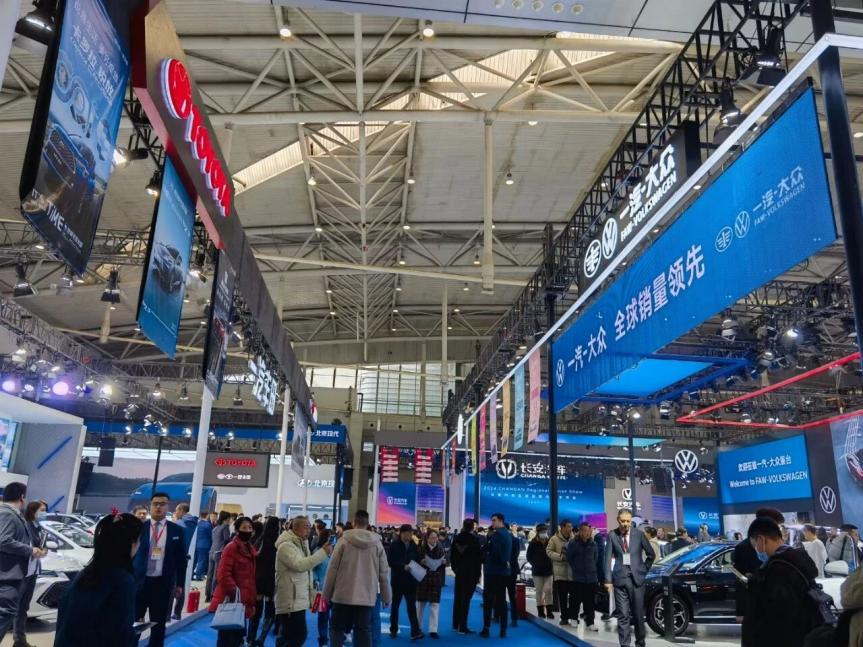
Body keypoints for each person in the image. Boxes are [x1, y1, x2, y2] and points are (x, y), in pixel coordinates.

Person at [54, 513, 143, 646]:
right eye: (139, 540)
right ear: (131, 543)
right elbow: (118, 633)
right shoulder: (122, 580)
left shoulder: (85, 573)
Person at [742, 516, 820, 647]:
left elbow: (773, 619)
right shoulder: (798, 561)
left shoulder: (775, 571)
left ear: (761, 539)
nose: (756, 550)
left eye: (754, 545)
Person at [323, 510, 392, 647]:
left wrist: (326, 594)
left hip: (342, 595)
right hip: (366, 596)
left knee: (336, 628)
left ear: (354, 523)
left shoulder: (343, 541)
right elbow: (383, 574)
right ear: (367, 524)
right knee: (363, 630)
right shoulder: (377, 544)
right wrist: (386, 597)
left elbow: (332, 569)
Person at [133, 492, 187, 647]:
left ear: (168, 507)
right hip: (139, 583)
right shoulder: (139, 528)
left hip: (162, 584)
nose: (158, 507)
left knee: (158, 625)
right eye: (155, 504)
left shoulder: (177, 531)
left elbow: (181, 560)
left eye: (162, 504)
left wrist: (180, 584)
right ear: (150, 506)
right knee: (134, 624)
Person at [275, 515, 333, 647]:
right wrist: (322, 553)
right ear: (295, 528)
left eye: (309, 527)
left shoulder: (301, 544)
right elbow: (300, 565)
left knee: (287, 636)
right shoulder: (286, 546)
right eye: (306, 527)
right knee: (299, 636)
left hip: (297, 598)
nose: (309, 530)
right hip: (290, 600)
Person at [604, 508, 655, 647]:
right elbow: (607, 559)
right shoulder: (612, 535)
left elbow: (651, 555)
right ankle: (625, 644)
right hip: (620, 580)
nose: (626, 524)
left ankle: (640, 642)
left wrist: (643, 570)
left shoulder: (639, 535)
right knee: (622, 616)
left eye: (628, 521)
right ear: (618, 520)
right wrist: (608, 580)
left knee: (638, 615)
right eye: (623, 521)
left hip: (637, 581)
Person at [0, 482, 44, 643]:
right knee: (5, 613)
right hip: (7, 575)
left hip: (14, 573)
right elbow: (3, 540)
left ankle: (19, 641)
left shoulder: (15, 514)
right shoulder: (7, 514)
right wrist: (30, 550)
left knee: (10, 612)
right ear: (22, 497)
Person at [209, 517, 258, 647]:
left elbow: (250, 578)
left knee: (237, 639)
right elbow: (223, 575)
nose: (247, 530)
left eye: (250, 528)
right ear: (237, 530)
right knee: (227, 639)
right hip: (231, 601)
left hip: (243, 603)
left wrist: (249, 600)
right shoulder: (231, 548)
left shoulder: (250, 549)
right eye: (244, 527)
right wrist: (235, 593)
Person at [734, 507, 784, 623]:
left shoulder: (783, 553)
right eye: (776, 525)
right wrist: (741, 611)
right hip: (756, 607)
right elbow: (740, 579)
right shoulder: (743, 548)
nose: (777, 530)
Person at [13, 500, 46, 647]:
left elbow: (39, 546)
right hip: (21, 573)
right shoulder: (24, 525)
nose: (44, 513)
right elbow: (21, 546)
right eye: (42, 510)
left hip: (32, 572)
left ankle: (19, 640)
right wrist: (33, 550)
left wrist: (43, 551)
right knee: (12, 608)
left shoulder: (37, 526)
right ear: (33, 511)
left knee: (23, 609)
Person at [387, 524, 422, 639]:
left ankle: (415, 631)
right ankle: (393, 629)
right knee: (395, 606)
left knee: (411, 606)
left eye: (411, 534)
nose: (409, 536)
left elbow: (417, 559)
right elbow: (390, 561)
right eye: (407, 534)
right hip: (398, 580)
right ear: (401, 533)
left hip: (411, 581)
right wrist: (403, 566)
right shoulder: (394, 545)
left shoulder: (414, 545)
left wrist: (421, 563)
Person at [479, 513, 511, 639]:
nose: (492, 522)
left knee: (488, 600)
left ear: (501, 520)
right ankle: (503, 629)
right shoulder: (508, 534)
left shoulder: (497, 535)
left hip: (493, 572)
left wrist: (486, 556)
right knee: (502, 600)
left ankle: (486, 628)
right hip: (503, 572)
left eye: (494, 520)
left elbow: (494, 553)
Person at [249, 516, 280, 646]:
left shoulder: (259, 541)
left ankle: (250, 639)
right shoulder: (279, 542)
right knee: (270, 610)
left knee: (256, 610)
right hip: (272, 579)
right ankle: (262, 637)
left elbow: (253, 557)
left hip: (258, 578)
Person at [450, 518, 481, 634]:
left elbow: (452, 556)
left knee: (458, 598)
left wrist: (455, 569)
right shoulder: (474, 540)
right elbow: (478, 559)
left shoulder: (456, 538)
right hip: (471, 573)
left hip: (459, 573)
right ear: (472, 527)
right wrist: (478, 574)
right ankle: (462, 626)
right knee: (466, 600)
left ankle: (455, 625)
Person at [566, 522, 599, 633]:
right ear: (580, 531)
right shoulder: (573, 543)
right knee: (575, 600)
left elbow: (596, 558)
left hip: (591, 578)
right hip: (578, 577)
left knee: (590, 602)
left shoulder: (593, 544)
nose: (587, 533)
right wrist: (576, 568)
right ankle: (574, 618)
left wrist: (592, 568)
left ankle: (590, 622)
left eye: (588, 531)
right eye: (584, 531)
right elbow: (569, 558)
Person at [416, 528, 446, 639]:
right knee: (420, 604)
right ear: (427, 538)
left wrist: (444, 562)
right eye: (432, 538)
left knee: (434, 605)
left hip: (436, 580)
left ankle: (433, 630)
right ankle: (418, 627)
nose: (434, 540)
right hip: (423, 579)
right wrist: (421, 561)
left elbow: (446, 562)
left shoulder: (441, 549)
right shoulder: (421, 549)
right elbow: (415, 561)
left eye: (436, 537)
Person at [171, 502, 197, 620]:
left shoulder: (179, 524)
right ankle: (177, 613)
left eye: (176, 510)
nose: (175, 513)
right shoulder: (191, 523)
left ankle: (167, 615)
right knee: (180, 586)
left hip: (174, 558)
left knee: (172, 586)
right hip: (183, 557)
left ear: (181, 510)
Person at [546, 520, 574, 626]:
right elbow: (548, 551)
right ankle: (564, 618)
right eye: (568, 526)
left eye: (571, 526)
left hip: (572, 573)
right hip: (560, 573)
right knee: (562, 597)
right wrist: (560, 557)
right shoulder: (554, 539)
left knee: (574, 596)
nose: (570, 529)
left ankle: (571, 614)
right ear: (562, 527)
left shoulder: (574, 539)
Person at [526, 524, 554, 619]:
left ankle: (549, 611)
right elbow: (528, 556)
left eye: (545, 531)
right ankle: (540, 611)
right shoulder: (533, 543)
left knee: (549, 590)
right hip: (537, 571)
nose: (544, 533)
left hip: (549, 571)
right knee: (539, 591)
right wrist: (535, 564)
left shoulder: (550, 542)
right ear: (538, 532)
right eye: (542, 531)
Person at [311, 529, 332, 647]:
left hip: (336, 590)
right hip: (322, 589)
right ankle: (323, 640)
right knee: (323, 615)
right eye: (330, 537)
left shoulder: (337, 552)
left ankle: (337, 639)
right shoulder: (317, 552)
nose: (332, 540)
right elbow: (312, 568)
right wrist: (316, 580)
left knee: (336, 616)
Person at [208, 511, 232, 601]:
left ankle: (207, 595)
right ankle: (213, 594)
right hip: (219, 552)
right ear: (227, 518)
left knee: (210, 574)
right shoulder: (225, 527)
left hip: (211, 551)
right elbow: (226, 539)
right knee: (216, 574)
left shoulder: (215, 527)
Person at [193, 513, 214, 580]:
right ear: (207, 516)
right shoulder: (208, 524)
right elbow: (211, 535)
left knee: (194, 560)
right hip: (205, 545)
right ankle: (198, 576)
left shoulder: (197, 523)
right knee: (201, 561)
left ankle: (191, 575)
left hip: (196, 544)